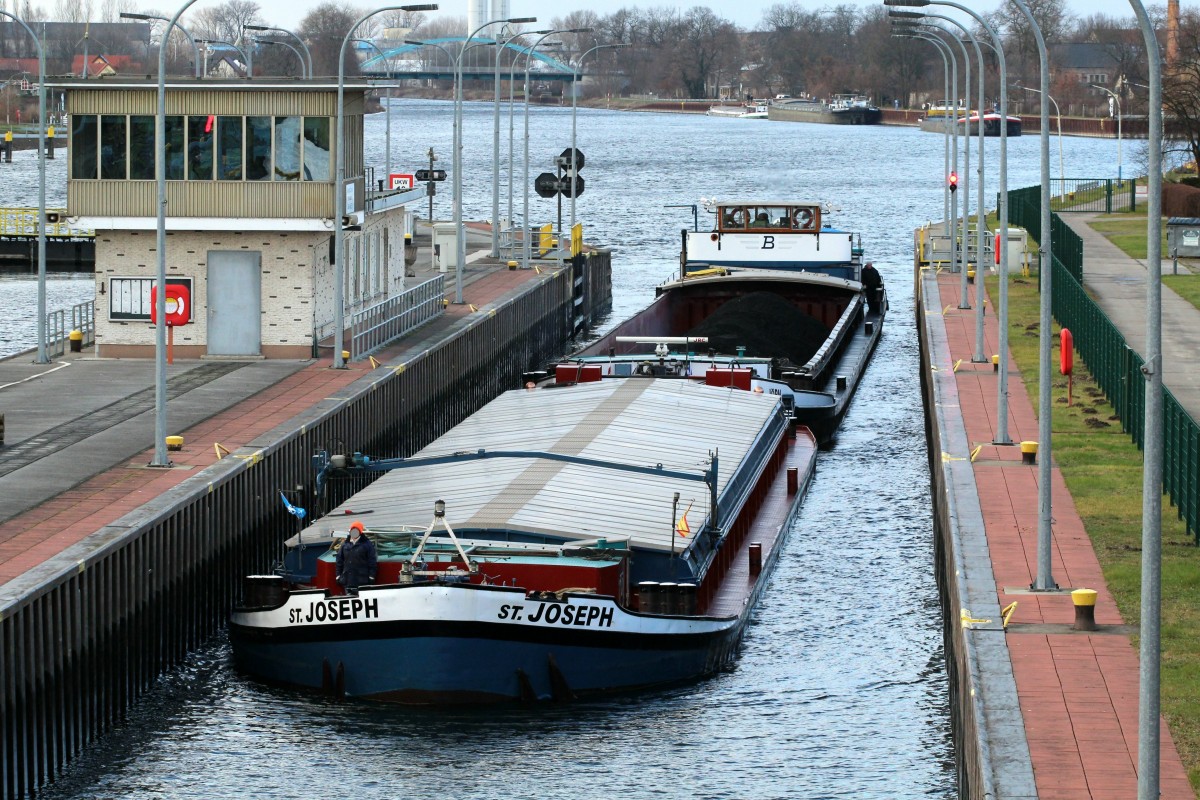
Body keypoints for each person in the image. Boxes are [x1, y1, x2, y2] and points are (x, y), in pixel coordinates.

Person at [336, 520, 377, 596]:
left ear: (360, 532)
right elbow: (339, 560)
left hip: (362, 581)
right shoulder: (345, 544)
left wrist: (371, 576)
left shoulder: (367, 545)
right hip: (347, 580)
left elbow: (372, 561)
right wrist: (338, 575)